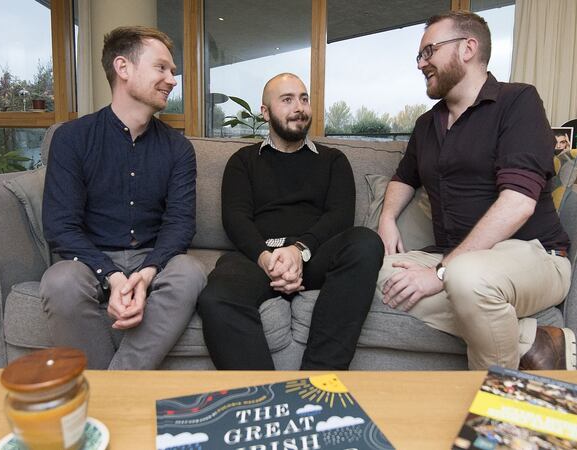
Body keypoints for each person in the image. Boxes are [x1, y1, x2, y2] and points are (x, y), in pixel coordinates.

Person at [376, 11, 576, 371]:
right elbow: (404, 177)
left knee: (466, 277)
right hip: (454, 256)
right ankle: (530, 340)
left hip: (534, 255)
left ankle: (497, 401)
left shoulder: (518, 102)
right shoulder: (427, 124)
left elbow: (518, 204)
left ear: (467, 48)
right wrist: (387, 219)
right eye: (420, 56)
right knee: (364, 272)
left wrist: (439, 274)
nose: (422, 63)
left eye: (429, 51)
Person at [40, 26, 206, 370]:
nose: (172, 80)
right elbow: (61, 226)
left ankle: (113, 386)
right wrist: (112, 275)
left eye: (172, 71)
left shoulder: (178, 148)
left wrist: (146, 274)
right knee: (60, 281)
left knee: (190, 272)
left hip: (152, 257)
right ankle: (118, 389)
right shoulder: (72, 138)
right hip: (88, 259)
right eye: (162, 68)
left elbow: (179, 225)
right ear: (123, 68)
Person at [197, 73, 384, 370]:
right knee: (216, 298)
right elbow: (235, 219)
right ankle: (263, 397)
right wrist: (267, 260)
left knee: (366, 242)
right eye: (287, 100)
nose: (299, 107)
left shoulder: (333, 160)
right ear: (265, 112)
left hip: (313, 256)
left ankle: (318, 380)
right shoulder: (243, 161)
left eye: (304, 98)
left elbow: (339, 217)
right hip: (258, 258)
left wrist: (299, 251)